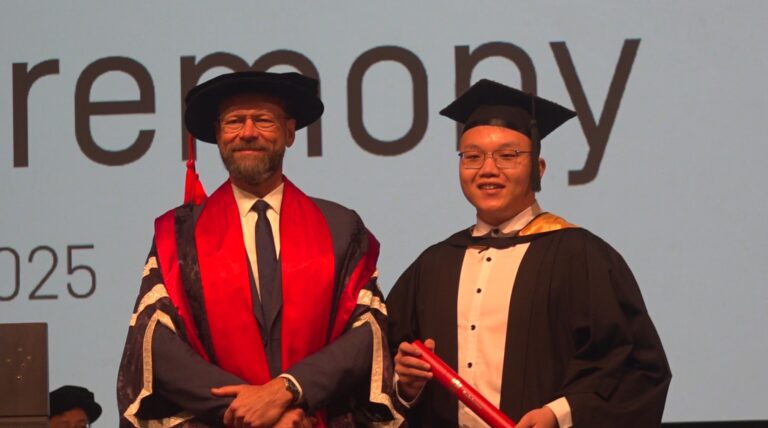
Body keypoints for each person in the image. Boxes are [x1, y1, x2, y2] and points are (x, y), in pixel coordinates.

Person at [117, 71, 400, 427]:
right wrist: (250, 411)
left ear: (290, 132)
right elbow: (157, 343)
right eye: (234, 121)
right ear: (218, 134)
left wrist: (289, 390)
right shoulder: (179, 236)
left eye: (263, 120)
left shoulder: (340, 229)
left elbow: (366, 333)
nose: (248, 132)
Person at [386, 79, 671, 428]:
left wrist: (558, 414)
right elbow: (379, 366)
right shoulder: (434, 266)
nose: (488, 169)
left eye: (507, 156)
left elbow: (637, 370)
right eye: (472, 157)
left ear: (538, 168)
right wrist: (406, 386)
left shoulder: (581, 257)